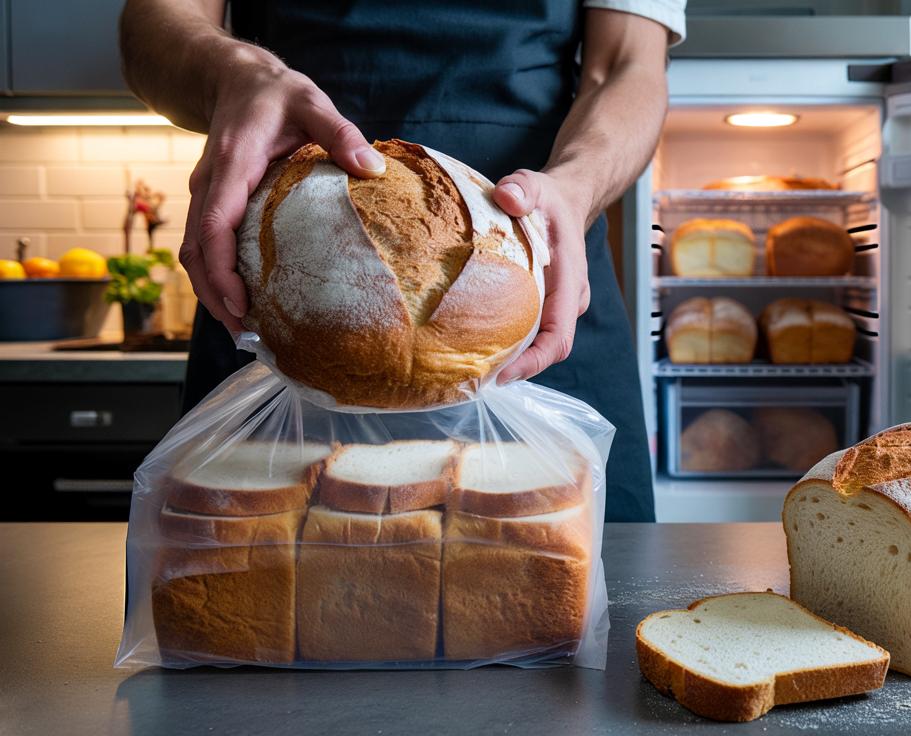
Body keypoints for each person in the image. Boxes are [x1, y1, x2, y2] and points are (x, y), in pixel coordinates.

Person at [119, 1, 685, 523]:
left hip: (536, 285)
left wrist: (577, 183)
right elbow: (156, 24)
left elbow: (628, 68)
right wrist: (236, 71)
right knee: (232, 592)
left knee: (571, 582)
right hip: (278, 306)